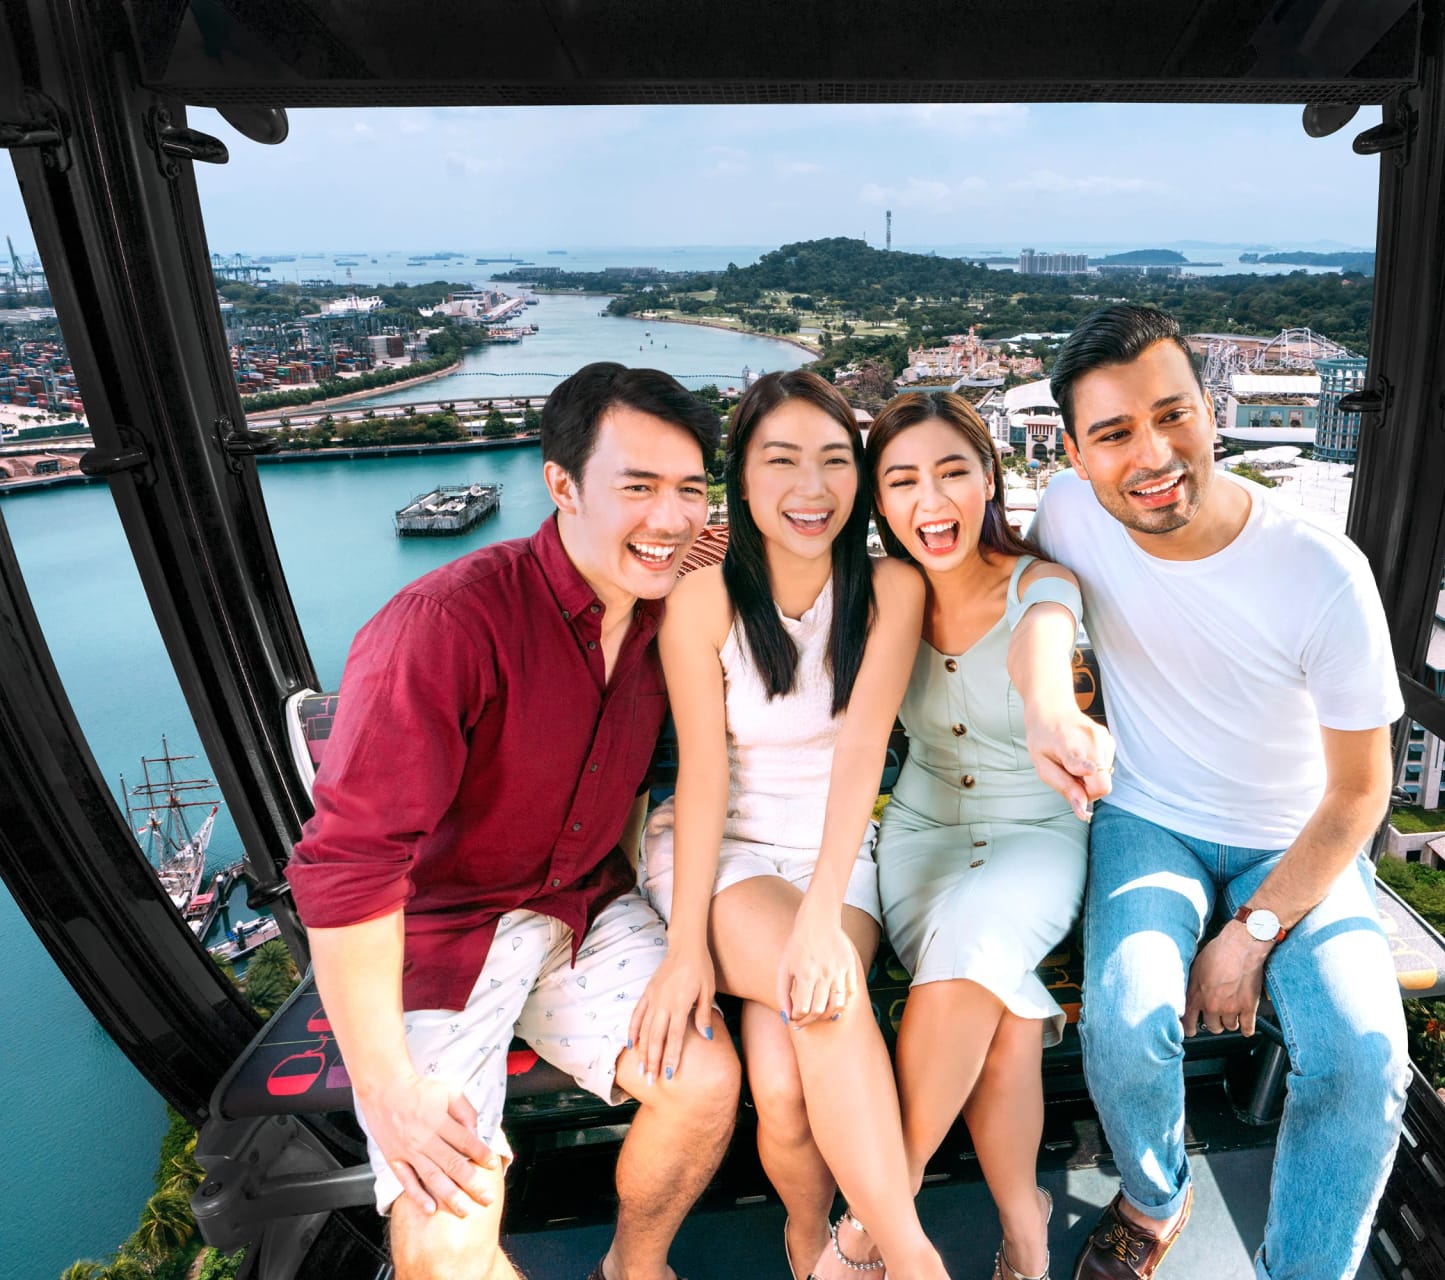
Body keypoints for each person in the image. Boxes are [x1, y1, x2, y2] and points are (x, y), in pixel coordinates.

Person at [285, 363, 742, 1280]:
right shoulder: (445, 625)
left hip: (579, 905)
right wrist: (386, 1090)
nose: (670, 515)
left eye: (690, 489)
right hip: (443, 928)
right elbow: (349, 866)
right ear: (562, 484)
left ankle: (635, 1267)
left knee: (703, 1086)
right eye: (638, 485)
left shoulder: (666, 606)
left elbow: (764, 539)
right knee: (448, 1220)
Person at [1030, 305, 1410, 1280]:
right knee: (1123, 1014)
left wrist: (1253, 932)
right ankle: (1157, 1195)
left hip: (1301, 838)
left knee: (1364, 1058)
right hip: (1150, 816)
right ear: (1074, 453)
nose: (1152, 454)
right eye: (1114, 432)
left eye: (1174, 415)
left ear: (1215, 411)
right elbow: (1009, 584)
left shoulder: (1320, 572)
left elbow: (1363, 790)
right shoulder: (1069, 514)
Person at [632, 370, 950, 1280]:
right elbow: (700, 776)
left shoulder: (892, 590)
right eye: (781, 462)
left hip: (838, 853)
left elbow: (861, 758)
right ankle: (911, 1257)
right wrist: (687, 942)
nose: (811, 490)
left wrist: (818, 914)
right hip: (724, 854)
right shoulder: (702, 604)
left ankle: (810, 1247)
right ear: (741, 479)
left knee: (783, 1087)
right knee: (832, 999)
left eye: (833, 462)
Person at [827, 391, 1112, 1280]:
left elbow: (1044, 654)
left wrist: (1055, 718)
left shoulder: (1040, 583)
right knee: (1006, 1014)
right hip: (918, 834)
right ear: (879, 501)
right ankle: (1024, 1226)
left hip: (1034, 835)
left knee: (976, 950)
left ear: (989, 479)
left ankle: (875, 1224)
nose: (931, 501)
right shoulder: (884, 596)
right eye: (902, 480)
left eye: (953, 472)